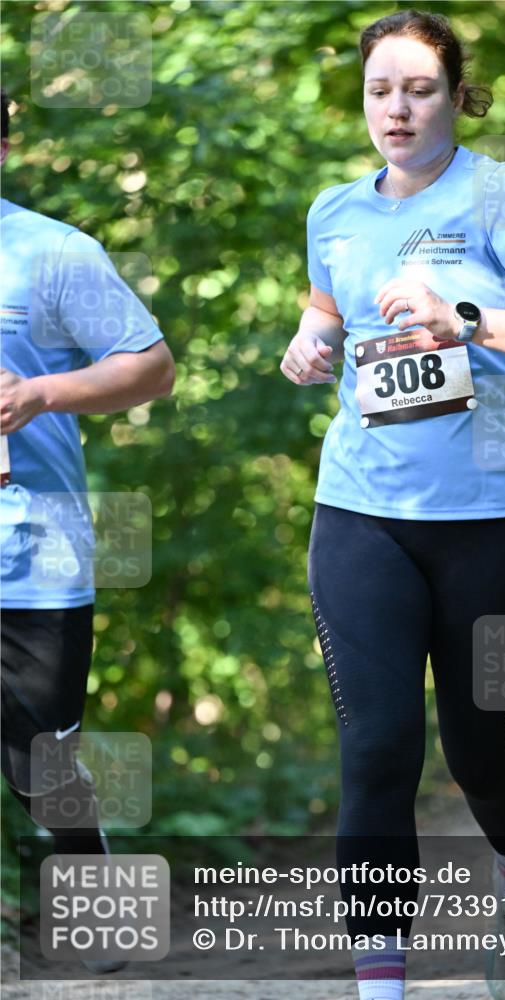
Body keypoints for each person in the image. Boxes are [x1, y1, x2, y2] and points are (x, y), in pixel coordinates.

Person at [280, 11, 505, 1000]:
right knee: (377, 747)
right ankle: (381, 983)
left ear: (452, 94)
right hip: (361, 513)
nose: (395, 107)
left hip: (493, 520)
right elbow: (325, 306)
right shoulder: (335, 209)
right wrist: (307, 344)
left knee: (485, 757)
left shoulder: (497, 194)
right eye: (380, 88)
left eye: (417, 88)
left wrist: (462, 318)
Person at [0, 89, 175, 971]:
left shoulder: (55, 253)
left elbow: (150, 366)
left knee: (43, 769)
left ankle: (98, 901)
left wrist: (38, 393)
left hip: (33, 558)